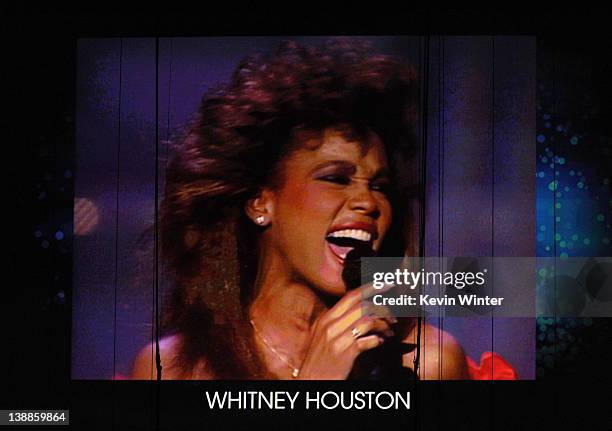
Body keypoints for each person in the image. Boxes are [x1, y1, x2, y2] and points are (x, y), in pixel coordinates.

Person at [131, 40, 469, 380]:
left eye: (380, 186)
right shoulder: (170, 368)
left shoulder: (427, 363)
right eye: (336, 178)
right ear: (260, 202)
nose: (368, 202)